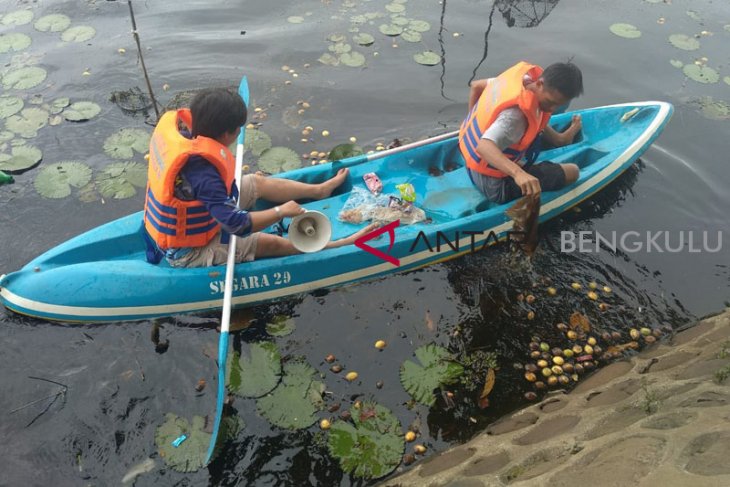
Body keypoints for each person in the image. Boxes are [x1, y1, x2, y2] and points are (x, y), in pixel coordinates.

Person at [144, 88, 376, 267]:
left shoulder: (187, 137)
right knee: (261, 242)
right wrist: (280, 212)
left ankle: (319, 190)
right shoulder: (206, 177)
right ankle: (335, 245)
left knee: (255, 183)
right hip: (190, 250)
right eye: (237, 130)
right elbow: (237, 225)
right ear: (226, 133)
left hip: (199, 213)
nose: (238, 135)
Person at [459, 61, 584, 205]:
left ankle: (560, 140)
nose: (552, 109)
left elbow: (476, 86)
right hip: (493, 186)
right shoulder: (515, 118)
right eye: (550, 102)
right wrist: (518, 174)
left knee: (535, 117)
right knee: (573, 172)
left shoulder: (521, 81)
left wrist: (476, 124)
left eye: (558, 104)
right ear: (540, 84)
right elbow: (484, 146)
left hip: (466, 156)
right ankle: (559, 142)